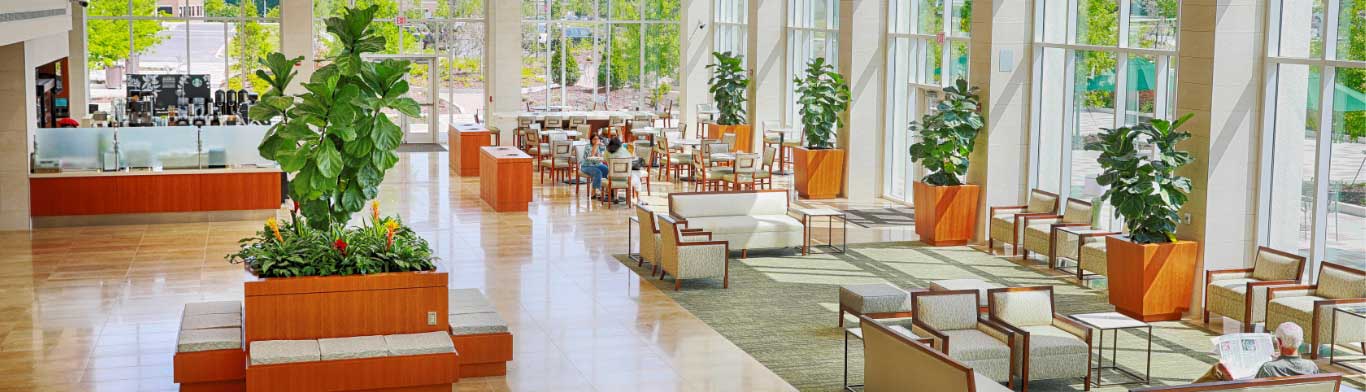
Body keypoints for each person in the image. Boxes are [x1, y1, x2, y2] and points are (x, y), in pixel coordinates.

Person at [1195, 322, 1319, 383]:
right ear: (1301, 342)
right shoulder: (1311, 367)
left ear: (1279, 342)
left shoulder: (1269, 368)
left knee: (1217, 370)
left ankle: (1183, 390)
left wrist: (1229, 378)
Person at [579, 134, 610, 200]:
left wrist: (604, 146)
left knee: (607, 170)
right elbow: (591, 155)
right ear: (591, 140)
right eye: (594, 139)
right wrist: (596, 145)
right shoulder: (588, 146)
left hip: (597, 164)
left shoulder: (599, 146)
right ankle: (594, 192)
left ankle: (608, 190)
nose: (596, 140)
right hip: (586, 166)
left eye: (597, 139)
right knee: (598, 172)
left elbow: (605, 154)